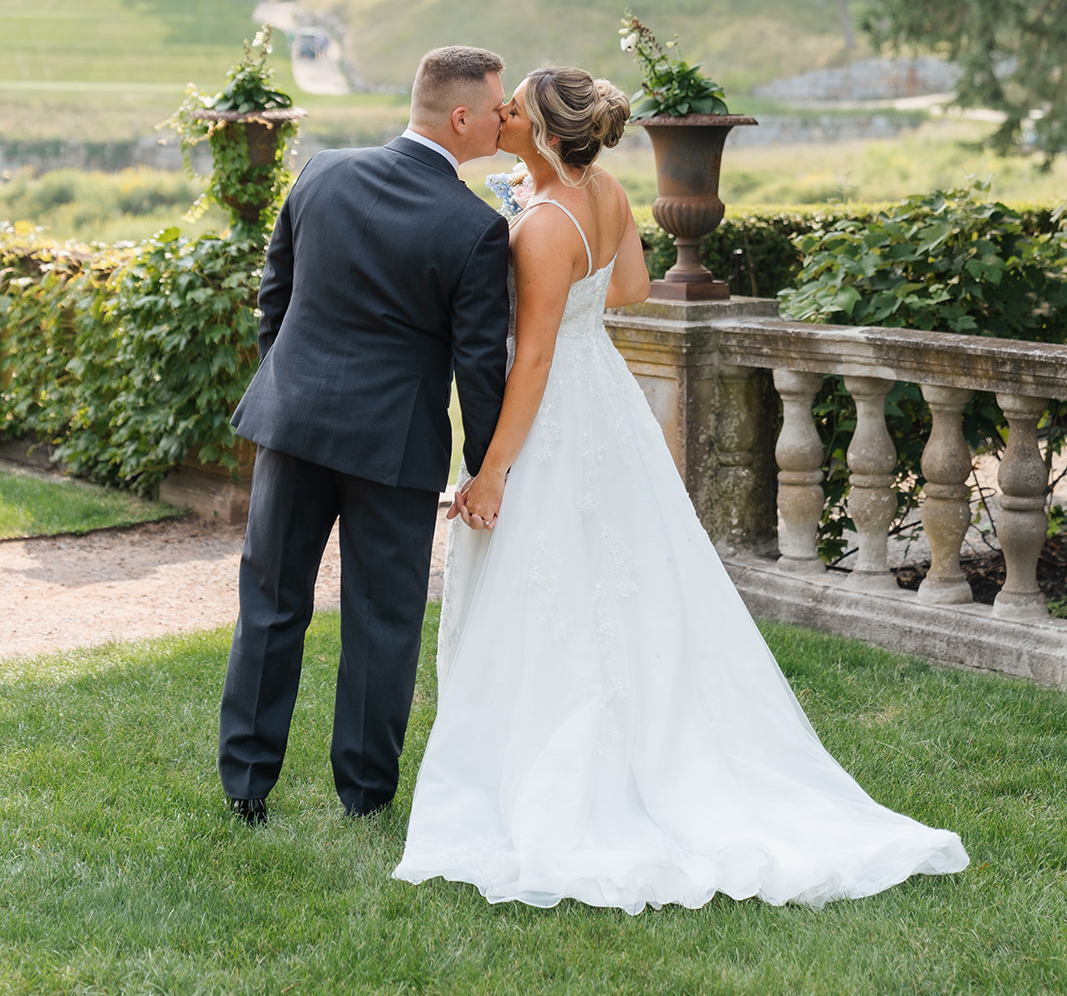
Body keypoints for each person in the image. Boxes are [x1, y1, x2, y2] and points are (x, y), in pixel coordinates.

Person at [394, 66, 968, 911]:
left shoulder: (538, 228)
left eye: (513, 107)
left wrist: (491, 470)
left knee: (545, 578)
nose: (502, 114)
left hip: (555, 415)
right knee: (629, 579)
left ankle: (560, 771)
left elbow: (537, 358)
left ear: (543, 131)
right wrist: (540, 213)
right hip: (609, 409)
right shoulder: (604, 195)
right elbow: (625, 289)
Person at [218, 46, 510, 825]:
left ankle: (246, 782)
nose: (503, 117)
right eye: (496, 106)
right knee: (381, 619)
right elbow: (480, 371)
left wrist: (289, 389)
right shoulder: (476, 229)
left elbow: (272, 299)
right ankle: (364, 793)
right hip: (394, 448)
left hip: (293, 424)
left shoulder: (320, 172)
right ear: (460, 118)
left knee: (271, 601)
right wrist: (487, 470)